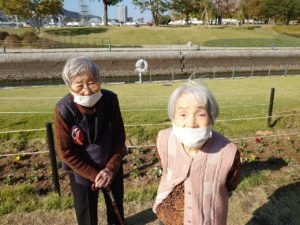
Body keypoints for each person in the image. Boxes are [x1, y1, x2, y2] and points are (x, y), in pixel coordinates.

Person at [153, 82, 241, 225]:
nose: (191, 123)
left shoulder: (228, 153)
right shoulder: (164, 140)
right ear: (172, 117)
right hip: (168, 218)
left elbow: (231, 184)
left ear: (211, 117)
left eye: (201, 114)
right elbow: (165, 167)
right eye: (183, 114)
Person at [54, 56, 126, 225]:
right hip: (81, 169)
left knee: (116, 209)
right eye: (79, 85)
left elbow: (119, 138)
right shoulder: (63, 109)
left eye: (92, 82)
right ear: (69, 86)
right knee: (85, 212)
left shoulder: (110, 100)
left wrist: (109, 169)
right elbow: (65, 151)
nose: (87, 90)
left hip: (111, 164)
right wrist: (94, 175)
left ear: (99, 81)